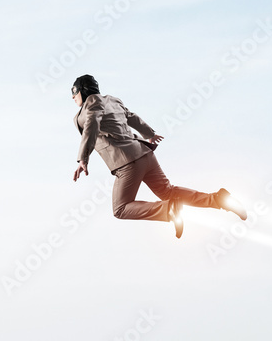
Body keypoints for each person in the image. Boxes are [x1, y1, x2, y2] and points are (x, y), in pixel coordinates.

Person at [70, 74, 246, 238]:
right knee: (168, 191)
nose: (72, 97)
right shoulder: (112, 100)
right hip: (145, 154)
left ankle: (168, 210)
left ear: (83, 91)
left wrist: (83, 158)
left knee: (120, 208)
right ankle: (219, 199)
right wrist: (149, 133)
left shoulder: (91, 104)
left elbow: (91, 125)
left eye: (74, 92)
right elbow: (131, 116)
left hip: (127, 163)